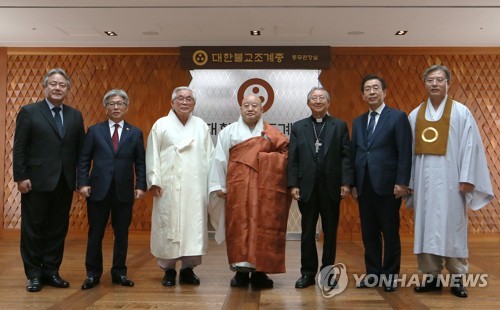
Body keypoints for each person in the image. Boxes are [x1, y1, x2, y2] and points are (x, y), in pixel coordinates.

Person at [408, 65, 494, 298]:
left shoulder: (461, 112)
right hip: (424, 184)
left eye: (439, 79)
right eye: (430, 80)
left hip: (452, 183)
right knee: (426, 229)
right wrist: (410, 182)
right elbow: (409, 152)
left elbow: (470, 146)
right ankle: (431, 277)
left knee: (453, 228)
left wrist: (467, 177)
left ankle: (458, 279)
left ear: (448, 83)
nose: (434, 83)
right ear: (424, 83)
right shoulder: (415, 115)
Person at [13, 68, 85, 292]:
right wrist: (21, 176)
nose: (57, 88)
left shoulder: (75, 115)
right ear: (45, 87)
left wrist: (80, 179)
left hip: (64, 182)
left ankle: (51, 270)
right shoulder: (30, 111)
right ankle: (34, 274)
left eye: (62, 85)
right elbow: (20, 147)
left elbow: (81, 151)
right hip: (35, 181)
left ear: (67, 90)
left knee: (57, 229)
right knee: (33, 229)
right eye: (53, 84)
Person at [209, 94, 290, 288]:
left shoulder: (272, 134)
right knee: (238, 227)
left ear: (262, 109)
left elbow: (286, 155)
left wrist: (264, 159)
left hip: (265, 190)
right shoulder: (228, 132)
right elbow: (219, 159)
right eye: (246, 105)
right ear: (240, 109)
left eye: (255, 105)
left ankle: (260, 273)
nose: (250, 108)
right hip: (237, 188)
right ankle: (240, 273)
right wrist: (219, 185)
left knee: (262, 226)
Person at [77, 89, 146, 289]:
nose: (116, 107)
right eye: (112, 104)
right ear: (105, 108)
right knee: (95, 233)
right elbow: (84, 160)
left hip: (124, 191)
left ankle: (119, 272)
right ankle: (92, 273)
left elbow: (140, 162)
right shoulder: (94, 131)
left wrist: (140, 185)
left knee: (122, 234)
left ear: (127, 108)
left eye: (120, 104)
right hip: (97, 190)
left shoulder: (135, 133)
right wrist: (82, 183)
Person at [146, 86, 214, 286]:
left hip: (195, 186)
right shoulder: (161, 124)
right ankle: (168, 270)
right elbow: (153, 154)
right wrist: (154, 180)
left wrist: (211, 184)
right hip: (168, 186)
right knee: (168, 225)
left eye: (189, 99)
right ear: (172, 102)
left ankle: (188, 269)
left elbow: (209, 156)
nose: (185, 102)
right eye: (180, 99)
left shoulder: (201, 125)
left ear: (194, 103)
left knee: (193, 226)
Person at [288, 87, 354, 289]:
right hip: (306, 187)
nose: (317, 101)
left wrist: (345, 182)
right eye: (314, 98)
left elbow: (346, 156)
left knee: (330, 232)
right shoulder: (299, 127)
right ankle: (307, 273)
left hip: (331, 187)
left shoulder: (339, 125)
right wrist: (293, 184)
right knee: (307, 232)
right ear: (308, 103)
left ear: (328, 103)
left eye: (322, 98)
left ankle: (327, 273)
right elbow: (293, 158)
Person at [351, 75, 412, 292]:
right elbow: (355, 153)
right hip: (364, 185)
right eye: (367, 89)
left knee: (390, 232)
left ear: (385, 92)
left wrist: (402, 182)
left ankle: (390, 276)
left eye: (376, 88)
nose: (372, 92)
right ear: (363, 95)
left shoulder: (397, 117)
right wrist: (353, 183)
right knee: (369, 233)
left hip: (388, 185)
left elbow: (405, 151)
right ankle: (373, 273)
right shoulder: (358, 121)